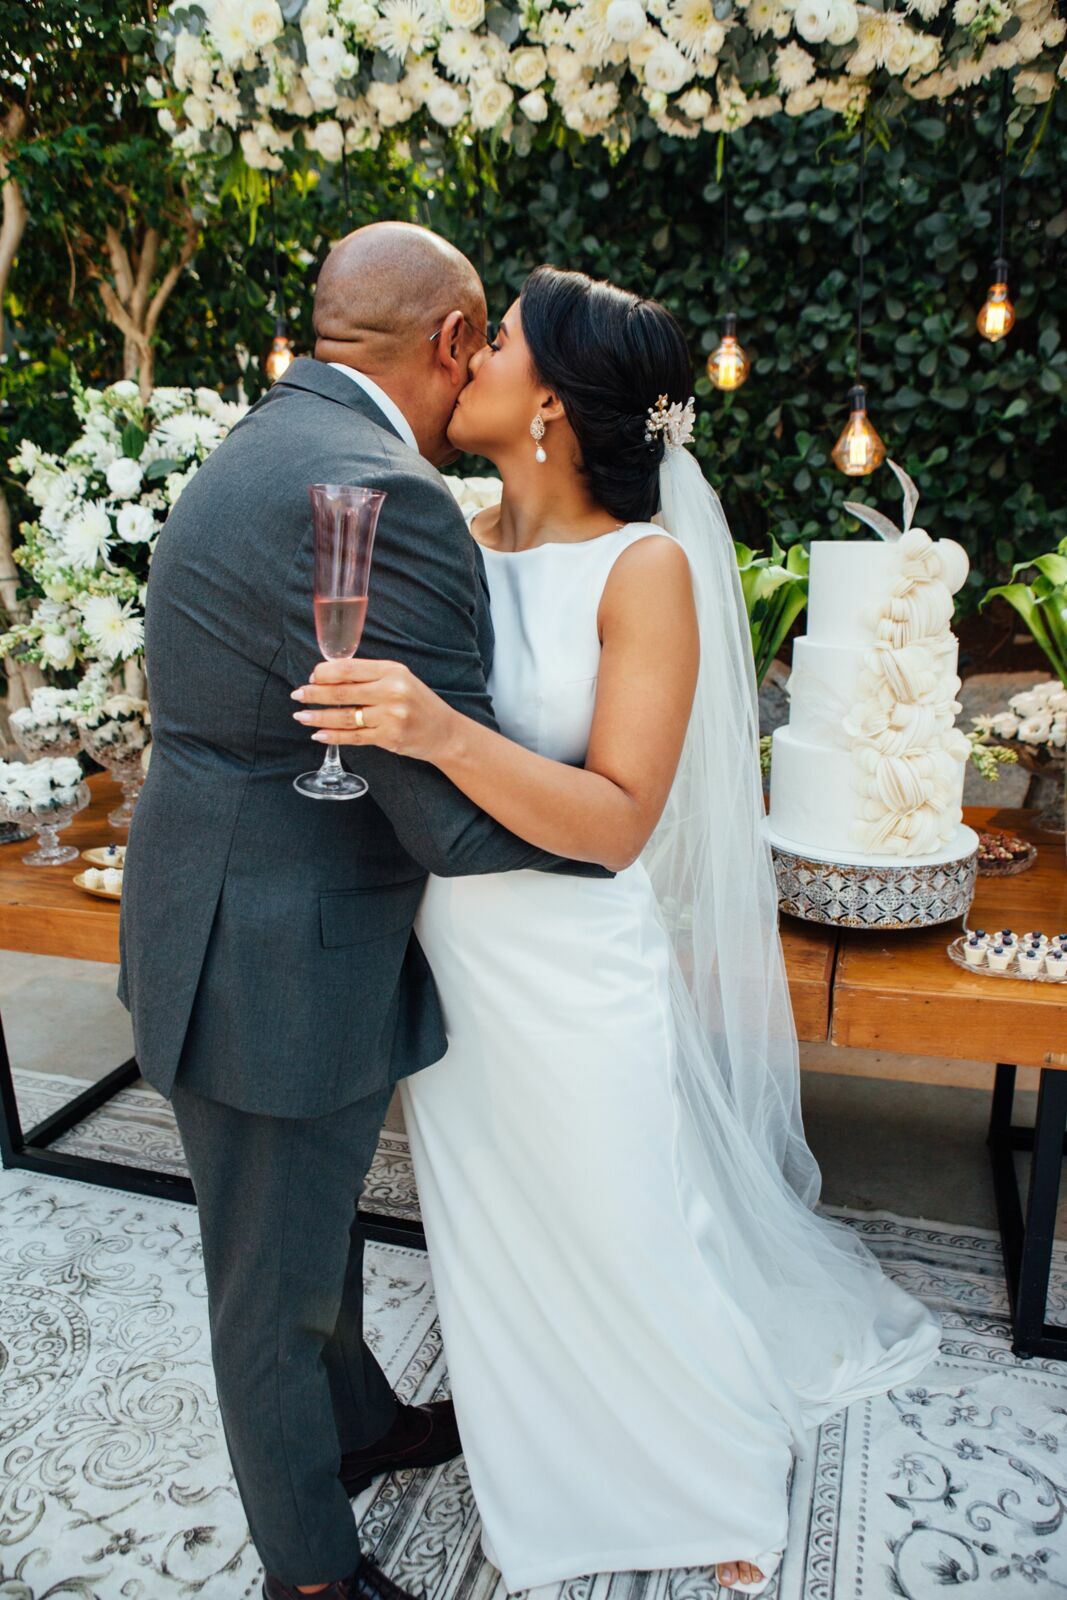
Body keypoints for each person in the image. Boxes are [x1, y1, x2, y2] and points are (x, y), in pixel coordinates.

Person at [292, 265, 944, 1596]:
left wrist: (436, 727)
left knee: (627, 1221)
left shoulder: (642, 570)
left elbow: (615, 822)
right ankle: (548, 1480)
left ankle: (702, 1479)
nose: (468, 354)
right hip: (453, 963)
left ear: (553, 407)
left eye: (504, 342)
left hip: (575, 968)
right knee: (495, 1235)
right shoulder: (448, 536)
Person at [119, 225, 611, 1600]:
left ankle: (363, 1422)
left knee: (309, 1227)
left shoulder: (280, 435)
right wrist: (621, 839)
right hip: (267, 941)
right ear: (454, 342)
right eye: (491, 345)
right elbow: (446, 815)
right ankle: (312, 1573)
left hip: (237, 900)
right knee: (269, 1291)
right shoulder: (378, 492)